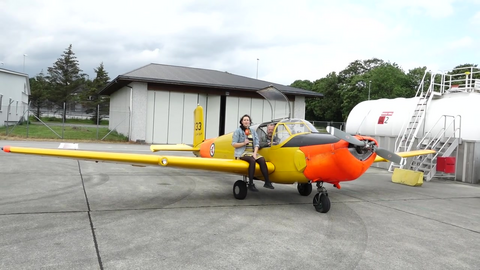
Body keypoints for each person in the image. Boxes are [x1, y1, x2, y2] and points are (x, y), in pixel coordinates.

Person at [232, 114, 274, 191]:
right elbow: (234, 144)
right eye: (244, 120)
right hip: (242, 152)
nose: (246, 121)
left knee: (262, 160)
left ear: (250, 122)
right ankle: (250, 183)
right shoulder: (238, 131)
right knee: (252, 160)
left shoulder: (253, 131)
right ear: (241, 122)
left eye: (247, 120)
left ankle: (267, 182)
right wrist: (243, 143)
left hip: (252, 152)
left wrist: (255, 153)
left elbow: (257, 144)